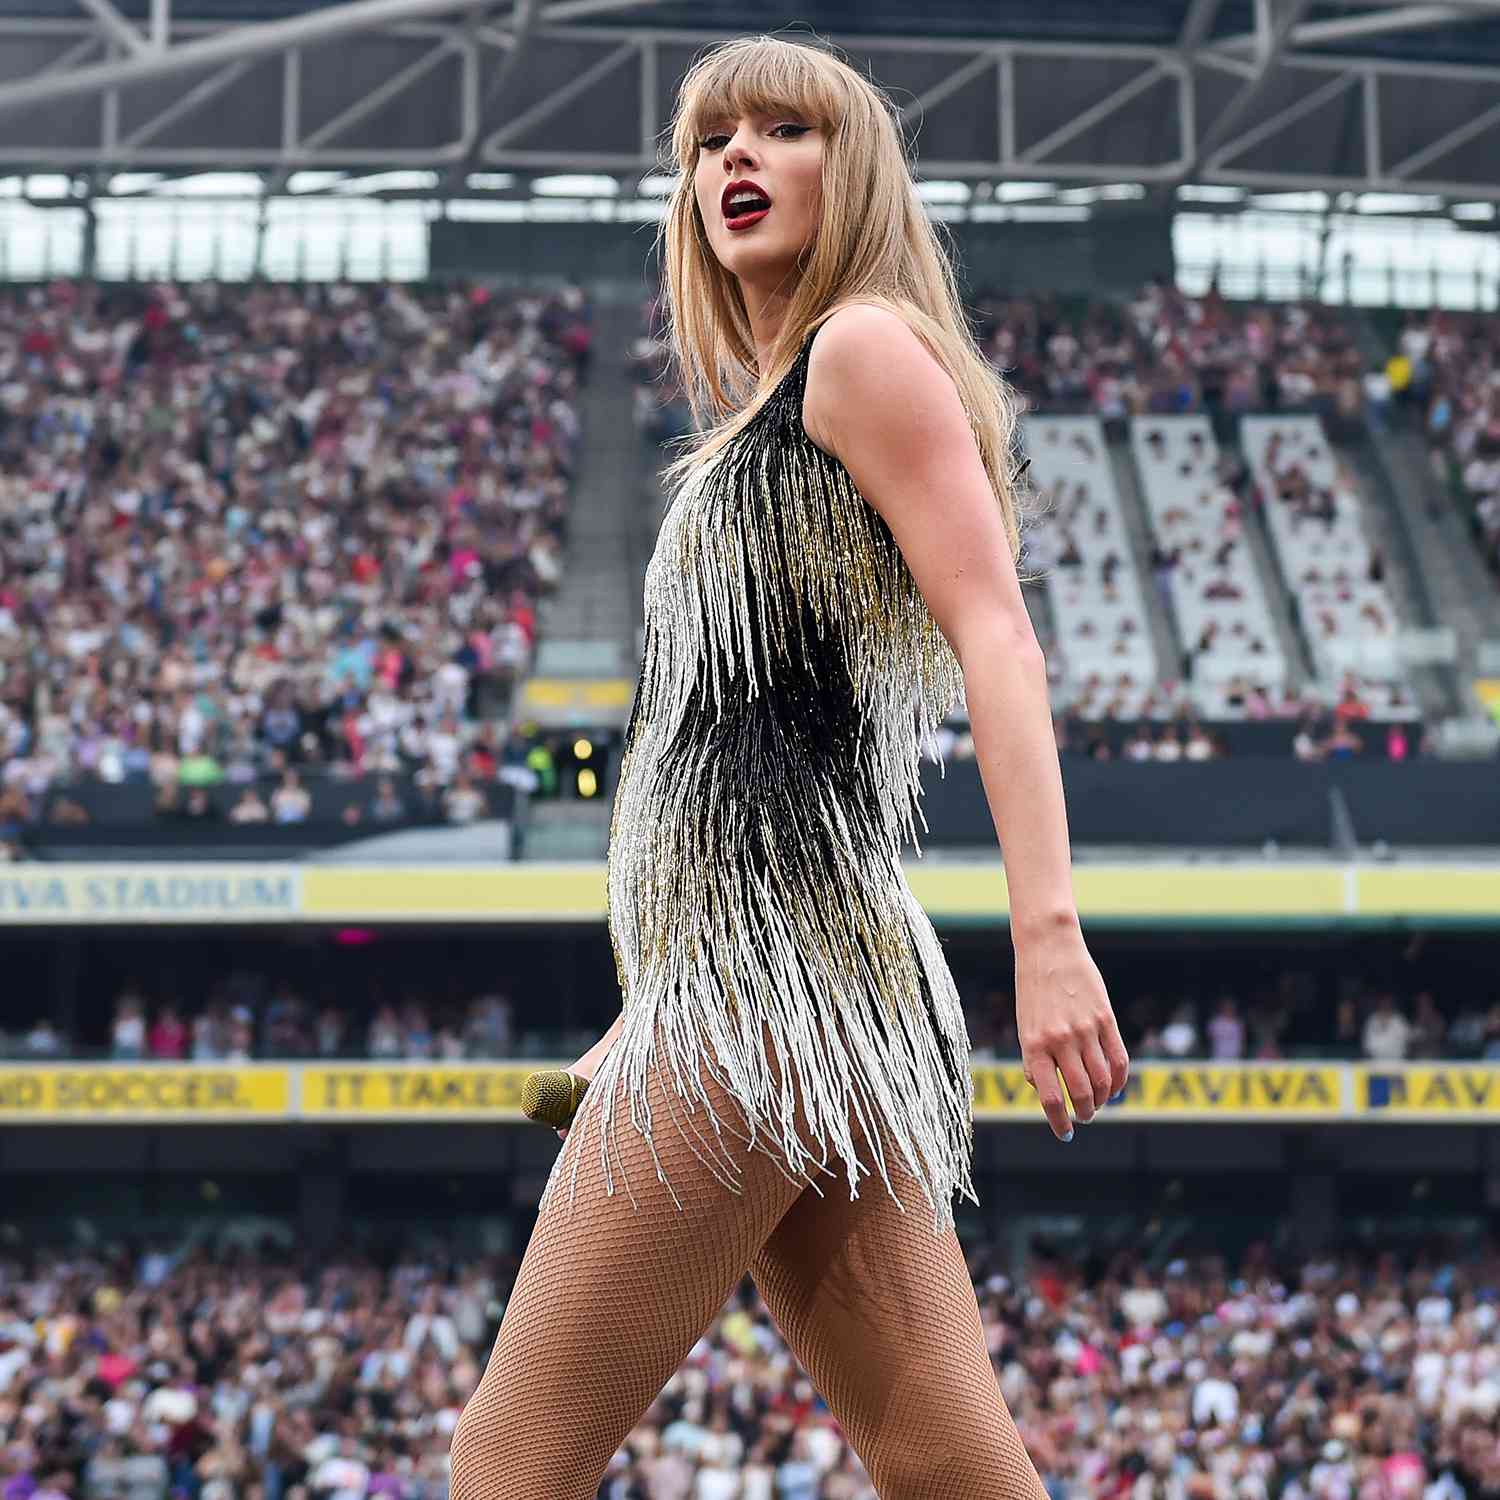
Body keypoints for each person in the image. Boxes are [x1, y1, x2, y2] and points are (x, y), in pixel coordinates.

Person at [449, 34, 1129, 1500]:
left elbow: (999, 639)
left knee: (507, 1462)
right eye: (708, 142)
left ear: (858, 167)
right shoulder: (762, 412)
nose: (735, 159)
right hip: (790, 996)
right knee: (950, 1468)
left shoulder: (862, 350)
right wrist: (643, 1024)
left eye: (781, 129)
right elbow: (747, 771)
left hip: (768, 996)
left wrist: (1051, 935)